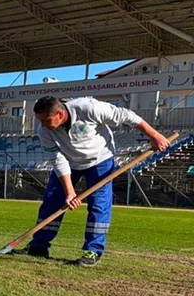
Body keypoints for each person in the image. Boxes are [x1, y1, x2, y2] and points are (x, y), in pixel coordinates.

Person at [23, 96, 170, 267]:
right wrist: (70, 192)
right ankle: (39, 246)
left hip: (100, 160)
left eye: (47, 120)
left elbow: (127, 116)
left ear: (60, 114)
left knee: (99, 205)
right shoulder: (44, 131)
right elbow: (58, 160)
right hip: (69, 161)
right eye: (40, 121)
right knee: (52, 201)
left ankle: (92, 250)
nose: (43, 125)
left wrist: (154, 135)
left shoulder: (89, 108)